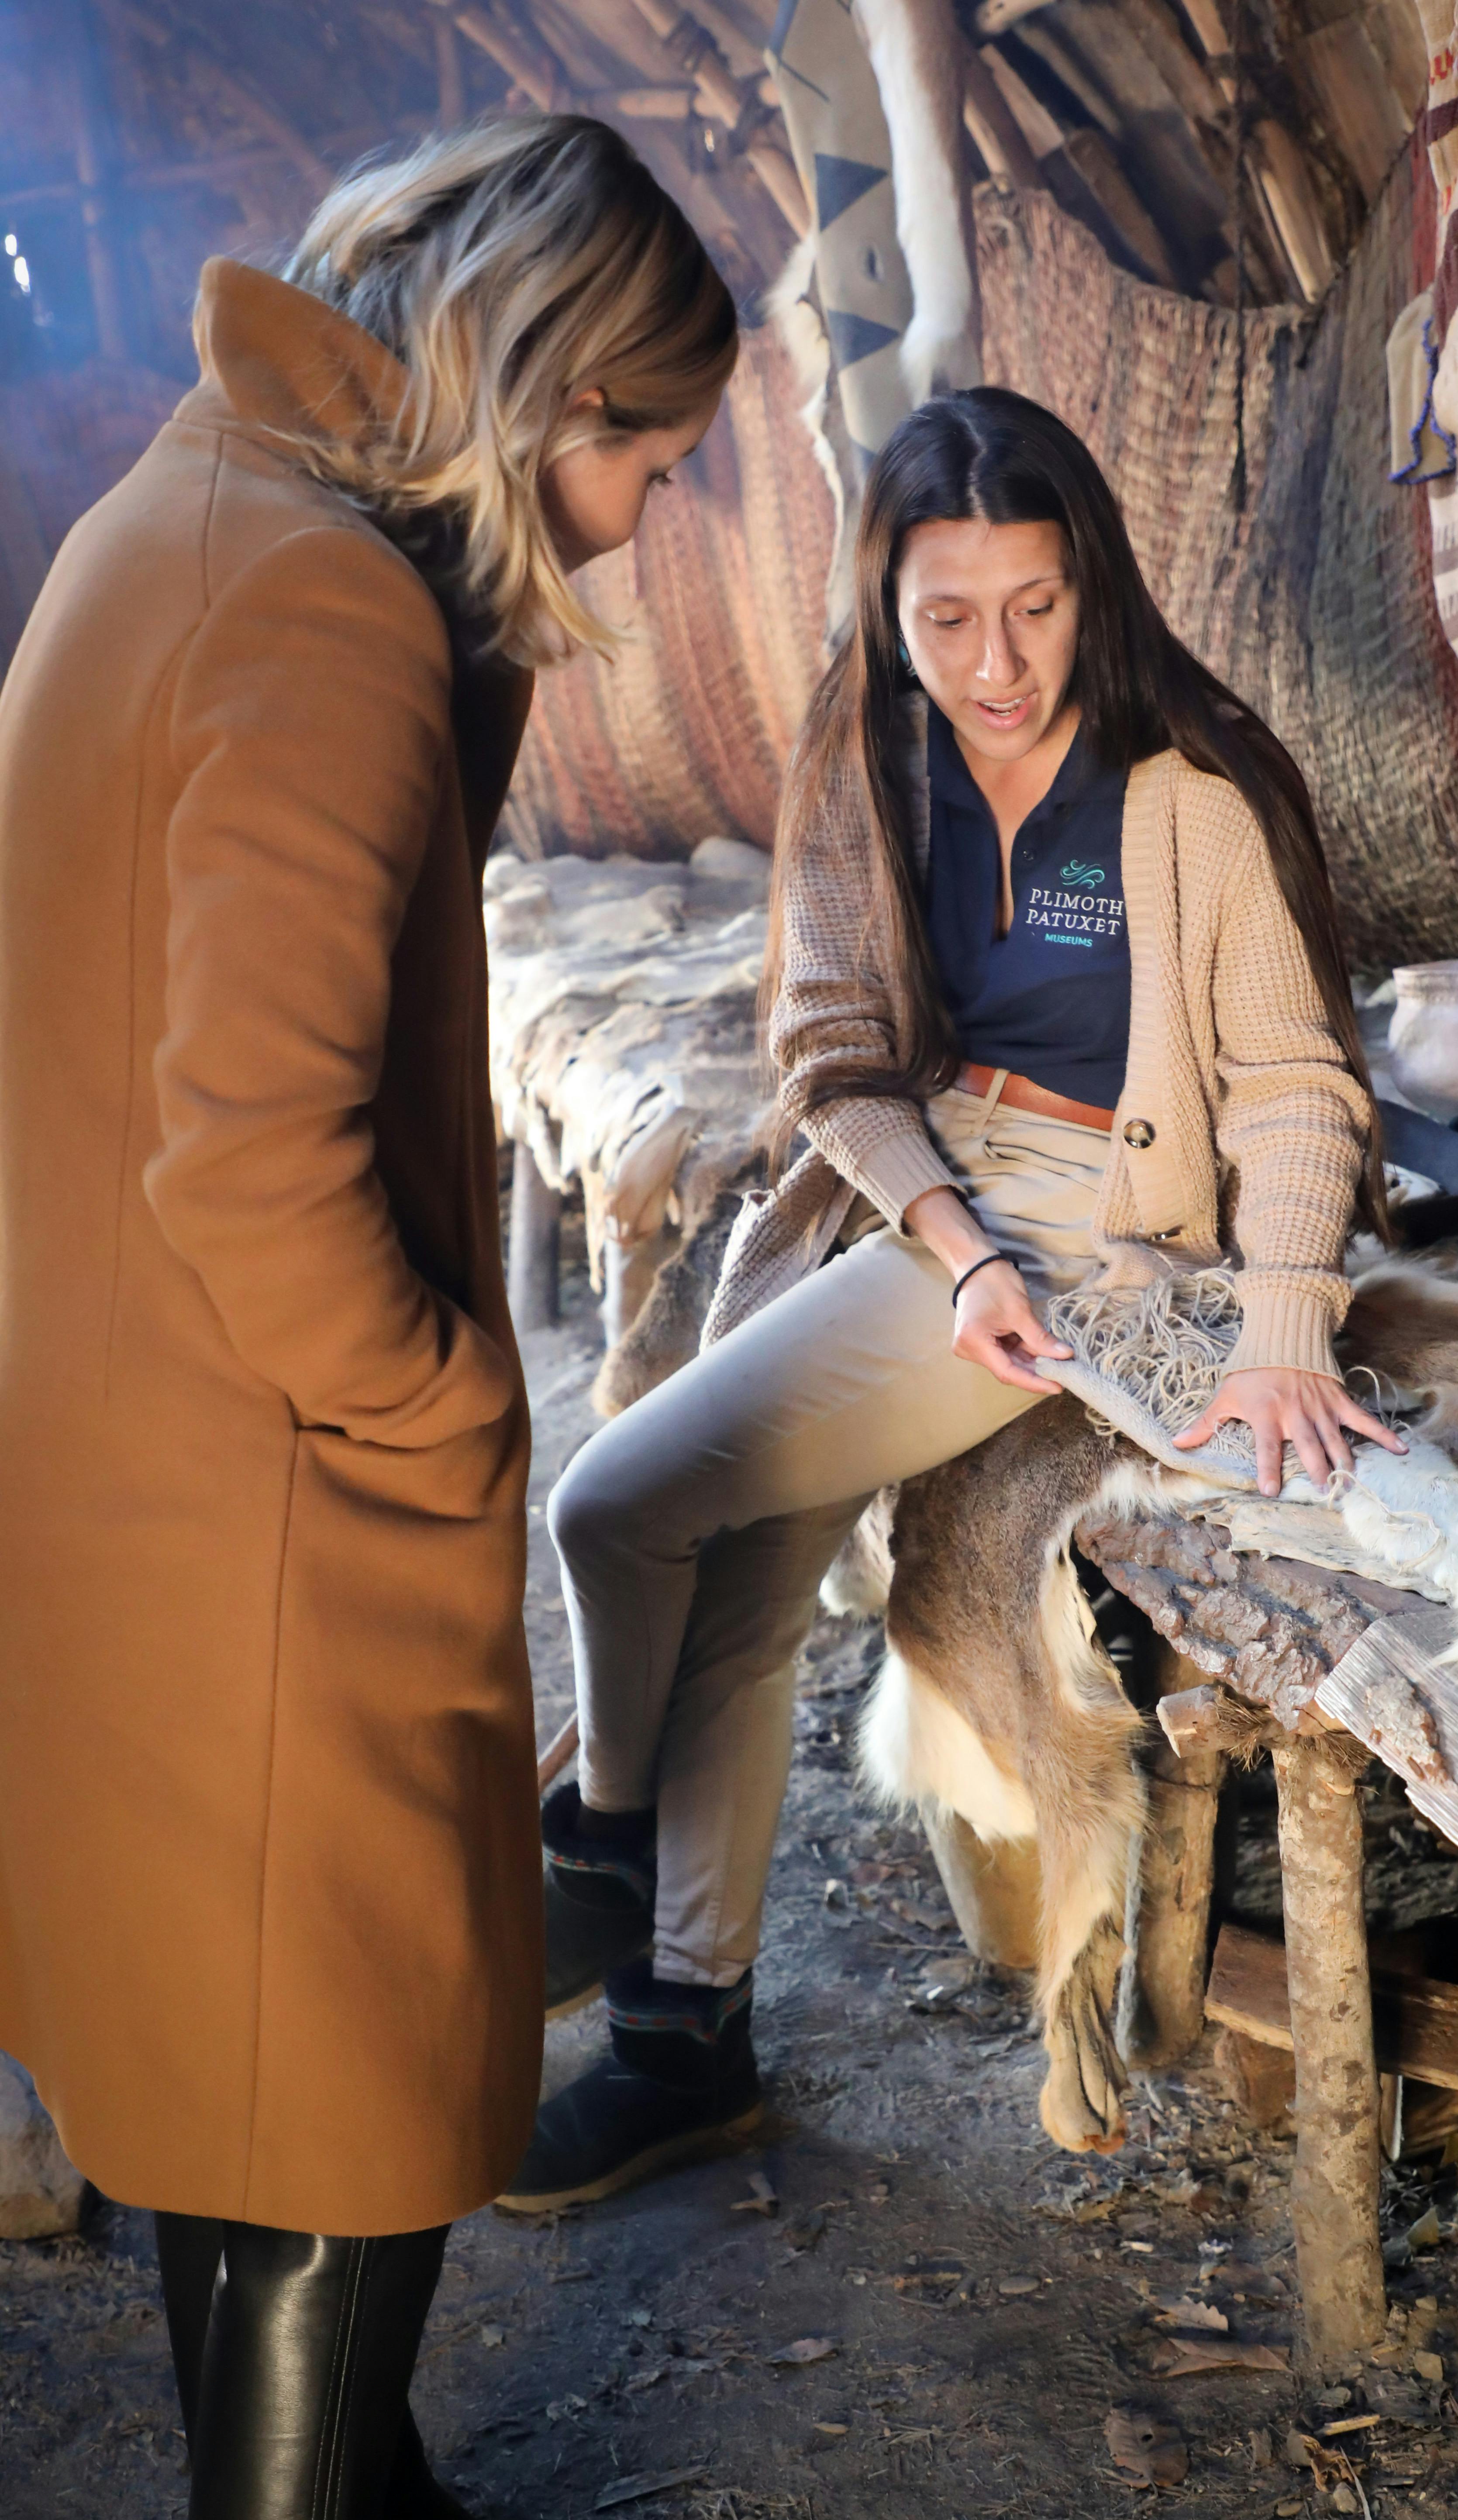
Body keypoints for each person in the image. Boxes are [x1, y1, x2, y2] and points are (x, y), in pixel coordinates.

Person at [0, 117, 734, 2519]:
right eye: (646, 451)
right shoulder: (312, 602)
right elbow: (251, 1150)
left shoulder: (186, 518)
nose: (646, 515)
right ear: (541, 397)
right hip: (274, 1490)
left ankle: (351, 2474)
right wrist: (444, 1416)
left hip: (132, 1460)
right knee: (340, 2092)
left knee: (231, 2053)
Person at [501, 386, 1405, 2214]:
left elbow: (1299, 1086)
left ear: (1095, 588)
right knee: (739, 1580)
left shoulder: (1182, 797)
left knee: (611, 1501)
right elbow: (833, 1060)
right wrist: (950, 1240)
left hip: (1097, 1224)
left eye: (1036, 607)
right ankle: (689, 2041)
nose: (996, 663)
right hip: (917, 1197)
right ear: (885, 605)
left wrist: (1286, 1318)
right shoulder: (865, 764)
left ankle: (597, 1848)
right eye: (947, 617)